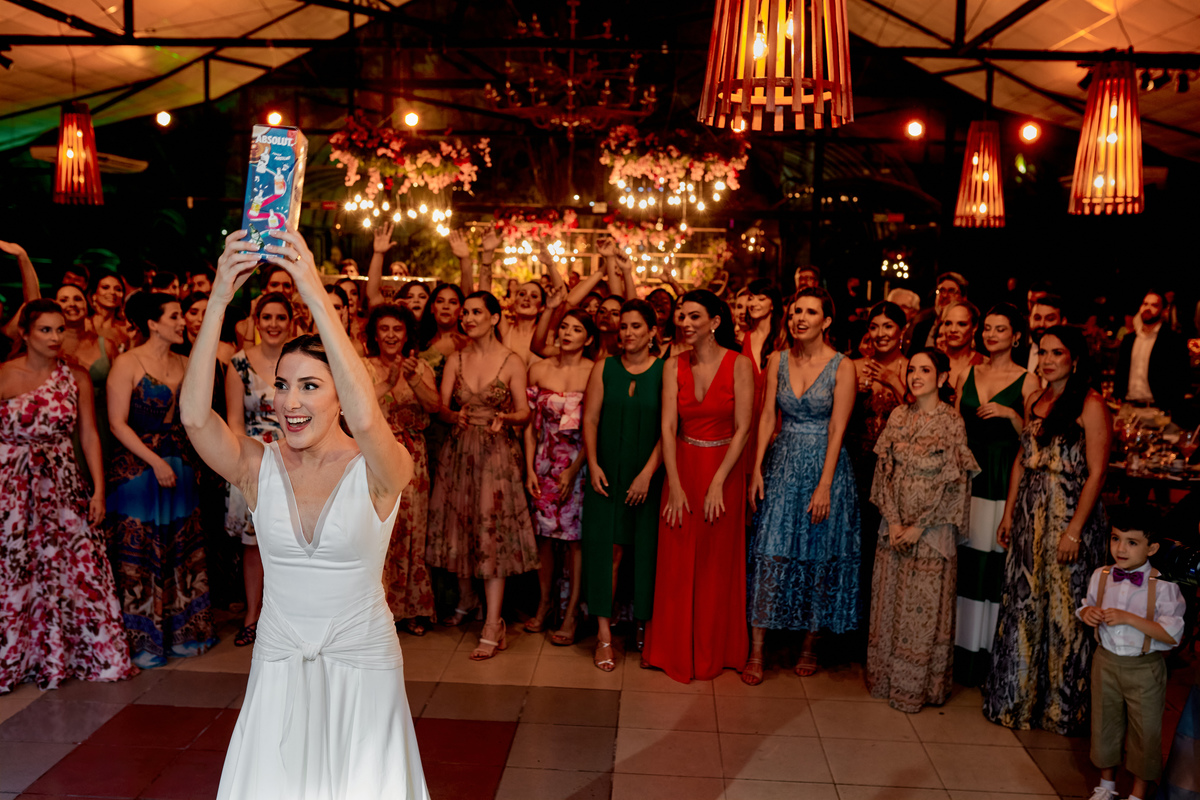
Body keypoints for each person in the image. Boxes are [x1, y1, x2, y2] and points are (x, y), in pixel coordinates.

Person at [182, 227, 427, 800]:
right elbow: (195, 418)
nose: (289, 402)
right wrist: (219, 299)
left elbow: (367, 421)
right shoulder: (257, 466)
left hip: (361, 661)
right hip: (279, 658)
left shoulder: (383, 468)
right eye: (282, 385)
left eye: (311, 386)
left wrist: (312, 289)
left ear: (342, 394)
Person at [0, 299, 135, 693]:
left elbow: (89, 435)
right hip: (12, 488)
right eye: (45, 330)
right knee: (16, 571)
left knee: (75, 567)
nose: (55, 337)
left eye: (60, 329)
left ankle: (71, 655)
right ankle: (17, 657)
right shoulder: (4, 374)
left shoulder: (75, 377)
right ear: (24, 333)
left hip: (62, 484)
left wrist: (98, 490)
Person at [984, 325, 1111, 734]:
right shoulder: (1035, 398)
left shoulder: (1091, 404)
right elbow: (1023, 459)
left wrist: (1074, 530)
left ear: (1075, 358)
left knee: (1063, 613)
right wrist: (1008, 514)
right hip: (1028, 517)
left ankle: (1061, 710)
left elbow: (1097, 473)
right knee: (1024, 607)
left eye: (1058, 352)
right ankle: (1017, 703)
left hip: (1068, 518)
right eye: (1043, 352)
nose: (1048, 359)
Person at [744, 288, 860, 684]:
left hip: (826, 467)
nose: (801, 318)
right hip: (783, 463)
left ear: (826, 321)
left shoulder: (843, 366)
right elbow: (766, 417)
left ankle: (810, 645)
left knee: (819, 556)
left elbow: (838, 427)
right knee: (770, 552)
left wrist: (825, 484)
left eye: (811, 312)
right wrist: (756, 467)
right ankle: (756, 649)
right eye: (796, 311)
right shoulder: (776, 359)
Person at [642, 289, 753, 684]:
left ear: (715, 322)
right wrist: (673, 483)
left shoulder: (740, 364)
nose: (685, 323)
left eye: (693, 316)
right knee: (676, 562)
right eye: (681, 316)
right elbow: (668, 427)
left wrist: (719, 481)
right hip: (683, 467)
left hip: (725, 470)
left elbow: (744, 429)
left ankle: (714, 651)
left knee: (715, 565)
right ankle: (672, 650)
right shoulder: (672, 365)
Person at [426, 291, 539, 659]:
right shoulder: (455, 358)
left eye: (476, 312)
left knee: (492, 534)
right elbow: (442, 407)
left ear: (494, 317)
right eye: (465, 313)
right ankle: (466, 599)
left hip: (496, 454)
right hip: (459, 451)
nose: (468, 318)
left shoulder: (511, 361)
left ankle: (493, 623)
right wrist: (453, 416)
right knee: (460, 525)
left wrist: (505, 417)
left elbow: (525, 412)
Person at [106, 292, 215, 668]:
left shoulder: (187, 361)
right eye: (175, 316)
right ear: (152, 323)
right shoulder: (127, 362)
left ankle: (183, 634)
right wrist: (155, 462)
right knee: (140, 554)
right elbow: (116, 423)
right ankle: (142, 641)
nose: (183, 321)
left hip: (180, 465)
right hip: (137, 470)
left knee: (180, 548)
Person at [866, 349, 979, 712]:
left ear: (942, 378)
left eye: (925, 370)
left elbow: (956, 483)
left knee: (922, 610)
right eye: (912, 369)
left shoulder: (952, 422)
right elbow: (883, 470)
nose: (915, 376)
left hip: (932, 532)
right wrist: (894, 520)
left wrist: (919, 527)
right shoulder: (898, 415)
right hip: (893, 526)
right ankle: (884, 680)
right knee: (889, 604)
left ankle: (916, 688)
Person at [953, 303, 1039, 686]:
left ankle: (988, 657)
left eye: (999, 329)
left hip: (1004, 476)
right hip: (969, 476)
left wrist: (1011, 416)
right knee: (967, 562)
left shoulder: (1028, 381)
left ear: (1016, 336)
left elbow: (1036, 442)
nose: (990, 335)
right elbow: (955, 428)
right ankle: (960, 654)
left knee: (994, 565)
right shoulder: (968, 373)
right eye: (987, 328)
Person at [1077, 504, 1185, 800]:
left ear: (1152, 548)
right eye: (1115, 538)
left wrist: (1129, 618)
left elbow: (1172, 635)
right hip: (1105, 662)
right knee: (1104, 724)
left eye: (1132, 542)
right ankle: (1106, 785)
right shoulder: (1101, 575)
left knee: (1145, 731)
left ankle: (1138, 793)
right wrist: (1087, 613)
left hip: (1144, 668)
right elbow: (1087, 604)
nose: (1121, 549)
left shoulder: (1164, 585)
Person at [581, 299, 664, 671]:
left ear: (652, 332)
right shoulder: (604, 367)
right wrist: (593, 463)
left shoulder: (665, 370)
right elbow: (590, 419)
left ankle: (646, 629)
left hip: (649, 475)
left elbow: (670, 428)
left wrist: (647, 474)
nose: (628, 333)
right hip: (606, 475)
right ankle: (603, 636)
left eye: (636, 326)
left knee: (648, 552)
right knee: (607, 554)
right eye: (624, 326)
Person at [364, 304, 439, 637]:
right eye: (385, 329)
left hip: (413, 458)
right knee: (379, 533)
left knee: (412, 531)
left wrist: (412, 379)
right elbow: (352, 410)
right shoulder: (363, 367)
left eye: (398, 329)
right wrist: (389, 381)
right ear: (375, 334)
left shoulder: (420, 366)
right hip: (375, 457)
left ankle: (411, 609)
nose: (391, 335)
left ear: (407, 334)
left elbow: (434, 407)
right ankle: (377, 612)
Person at [523, 311, 596, 645]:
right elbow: (530, 426)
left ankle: (572, 612)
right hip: (543, 462)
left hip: (579, 464)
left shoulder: (594, 372)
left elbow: (595, 426)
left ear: (588, 338)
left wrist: (575, 468)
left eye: (576, 329)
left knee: (574, 540)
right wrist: (529, 468)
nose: (567, 333)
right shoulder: (539, 369)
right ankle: (545, 603)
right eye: (564, 326)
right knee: (544, 538)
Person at [224, 291, 291, 646]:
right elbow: (234, 423)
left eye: (281, 317)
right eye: (267, 317)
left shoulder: (299, 362)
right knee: (253, 544)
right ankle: (253, 615)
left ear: (291, 322)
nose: (273, 324)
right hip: (254, 460)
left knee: (294, 542)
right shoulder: (238, 364)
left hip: (296, 458)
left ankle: (289, 618)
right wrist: (252, 461)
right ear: (256, 321)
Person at [847, 301, 909, 624]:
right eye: (874, 327)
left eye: (888, 326)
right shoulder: (853, 366)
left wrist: (893, 381)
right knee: (853, 546)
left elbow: (923, 419)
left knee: (884, 547)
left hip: (897, 472)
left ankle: (883, 623)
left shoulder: (913, 368)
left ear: (902, 331)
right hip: (855, 468)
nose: (881, 333)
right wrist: (853, 392)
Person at [1114, 290, 1190, 413]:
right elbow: (1120, 373)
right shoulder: (1129, 340)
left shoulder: (1173, 341)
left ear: (1164, 311)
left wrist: (1170, 407)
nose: (1148, 308)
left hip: (1157, 410)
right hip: (1128, 408)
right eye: (1145, 304)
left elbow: (1182, 379)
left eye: (1154, 305)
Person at [907, 271, 968, 355]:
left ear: (963, 298)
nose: (944, 295)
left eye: (951, 291)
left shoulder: (968, 327)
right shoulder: (921, 326)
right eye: (941, 290)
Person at [938, 300, 986, 390]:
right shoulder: (932, 361)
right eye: (948, 323)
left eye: (961, 324)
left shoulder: (985, 364)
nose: (953, 330)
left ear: (974, 327)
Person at [1022, 294, 1067, 375]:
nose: (1042, 324)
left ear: (1063, 321)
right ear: (1029, 319)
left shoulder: (1070, 357)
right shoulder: (1015, 354)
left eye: (1050, 319)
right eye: (1037, 318)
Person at [88, 271, 130, 352]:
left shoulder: (126, 329)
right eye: (105, 287)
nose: (112, 292)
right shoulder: (83, 325)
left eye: (118, 289)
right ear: (94, 295)